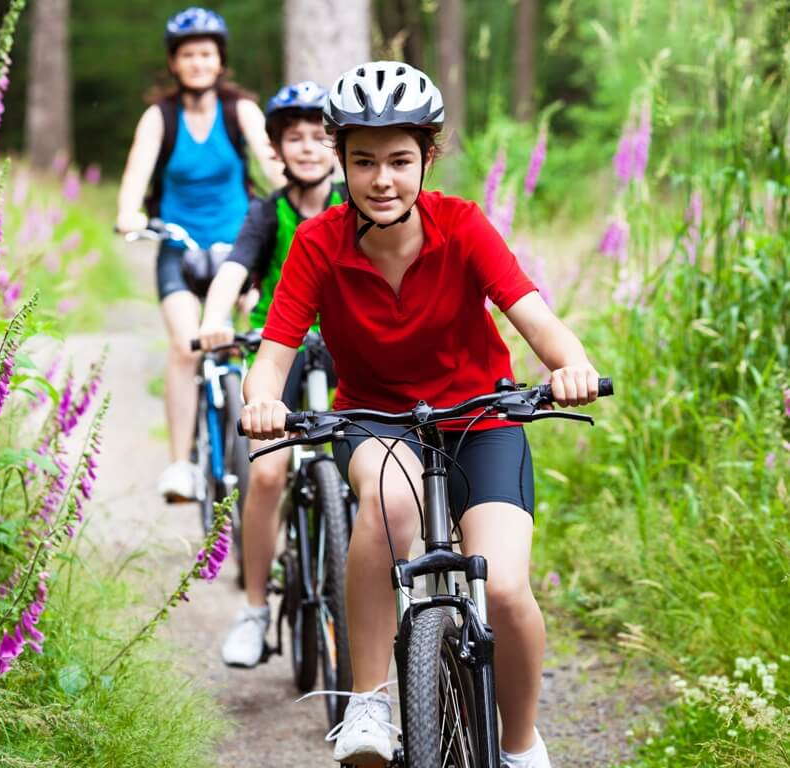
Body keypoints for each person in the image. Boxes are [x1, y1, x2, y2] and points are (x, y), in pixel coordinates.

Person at [238, 61, 600, 768]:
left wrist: (570, 366)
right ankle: (369, 701)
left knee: (501, 583)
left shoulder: (463, 226)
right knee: (386, 504)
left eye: (400, 161)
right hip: (374, 420)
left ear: (427, 158)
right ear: (341, 159)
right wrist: (262, 399)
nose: (382, 180)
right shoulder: (318, 243)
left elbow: (535, 317)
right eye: (364, 161)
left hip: (482, 418)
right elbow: (277, 349)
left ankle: (521, 744)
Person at [195, 80, 344, 667]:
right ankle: (255, 608)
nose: (307, 148)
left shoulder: (353, 207)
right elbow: (234, 270)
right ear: (276, 150)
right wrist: (213, 318)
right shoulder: (267, 213)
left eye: (318, 137)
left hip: (345, 348)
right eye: (294, 139)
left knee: (376, 467)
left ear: (336, 147)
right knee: (266, 474)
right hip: (274, 346)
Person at [115, 7, 284, 501]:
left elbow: (273, 166)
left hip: (239, 245)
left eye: (206, 53)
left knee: (248, 335)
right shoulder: (159, 117)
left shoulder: (241, 112)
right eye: (188, 54)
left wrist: (297, 195)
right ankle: (180, 466)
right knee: (185, 345)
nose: (198, 62)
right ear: (174, 62)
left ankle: (266, 450)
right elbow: (136, 175)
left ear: (220, 59)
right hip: (179, 248)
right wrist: (129, 215)